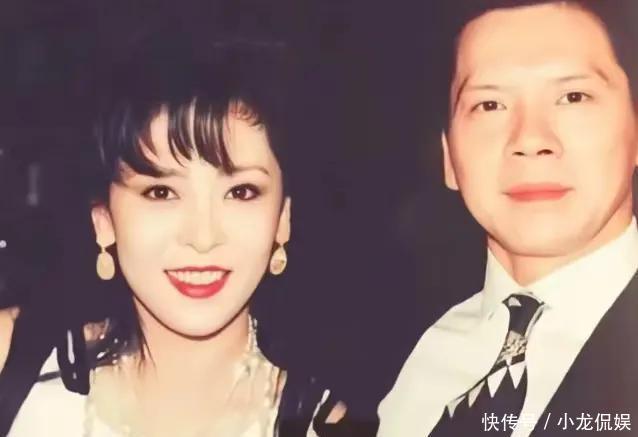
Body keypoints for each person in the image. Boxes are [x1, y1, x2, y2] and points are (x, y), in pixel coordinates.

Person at [0, 32, 350, 437]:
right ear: (103, 220)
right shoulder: (14, 358)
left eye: (240, 192)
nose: (202, 237)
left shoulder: (324, 424)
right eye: (162, 192)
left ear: (282, 219)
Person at [378, 1, 638, 435]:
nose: (530, 139)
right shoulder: (392, 355)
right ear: (448, 156)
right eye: (489, 104)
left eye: (573, 97)